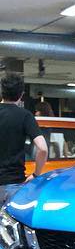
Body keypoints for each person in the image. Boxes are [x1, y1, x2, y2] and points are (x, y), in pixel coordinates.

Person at [0, 73, 48, 203]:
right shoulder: (25, 116)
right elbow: (43, 149)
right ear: (21, 94)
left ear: (2, 91)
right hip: (14, 184)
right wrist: (36, 174)